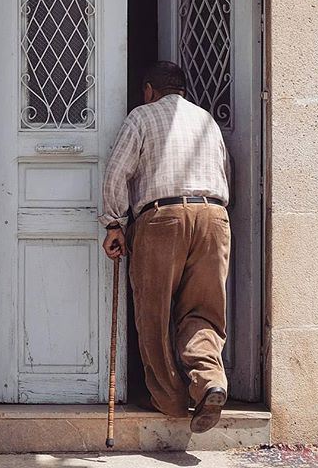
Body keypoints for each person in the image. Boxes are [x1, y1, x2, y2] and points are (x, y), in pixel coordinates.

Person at [98, 60, 231, 434]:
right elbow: (226, 172)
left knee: (153, 311)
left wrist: (114, 223)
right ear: (183, 92)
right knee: (203, 308)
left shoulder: (141, 117)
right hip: (213, 216)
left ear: (148, 90)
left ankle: (169, 399)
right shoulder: (207, 120)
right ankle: (208, 380)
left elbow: (117, 173)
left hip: (161, 218)